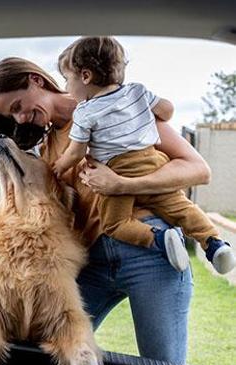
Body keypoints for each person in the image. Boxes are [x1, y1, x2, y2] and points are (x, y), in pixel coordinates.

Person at [0, 55, 212, 365]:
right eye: (12, 115)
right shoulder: (47, 147)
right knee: (40, 351)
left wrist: (122, 184)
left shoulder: (118, 106)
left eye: (18, 106)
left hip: (149, 253)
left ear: (35, 80)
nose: (20, 119)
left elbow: (198, 170)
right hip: (93, 260)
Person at [52, 36, 235, 275]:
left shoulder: (84, 113)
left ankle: (159, 239)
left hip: (118, 171)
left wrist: (58, 166)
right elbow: (167, 110)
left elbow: (75, 152)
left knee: (115, 224)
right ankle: (214, 243)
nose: (66, 87)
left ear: (85, 76)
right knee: (182, 208)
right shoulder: (137, 91)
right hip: (153, 162)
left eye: (67, 79)